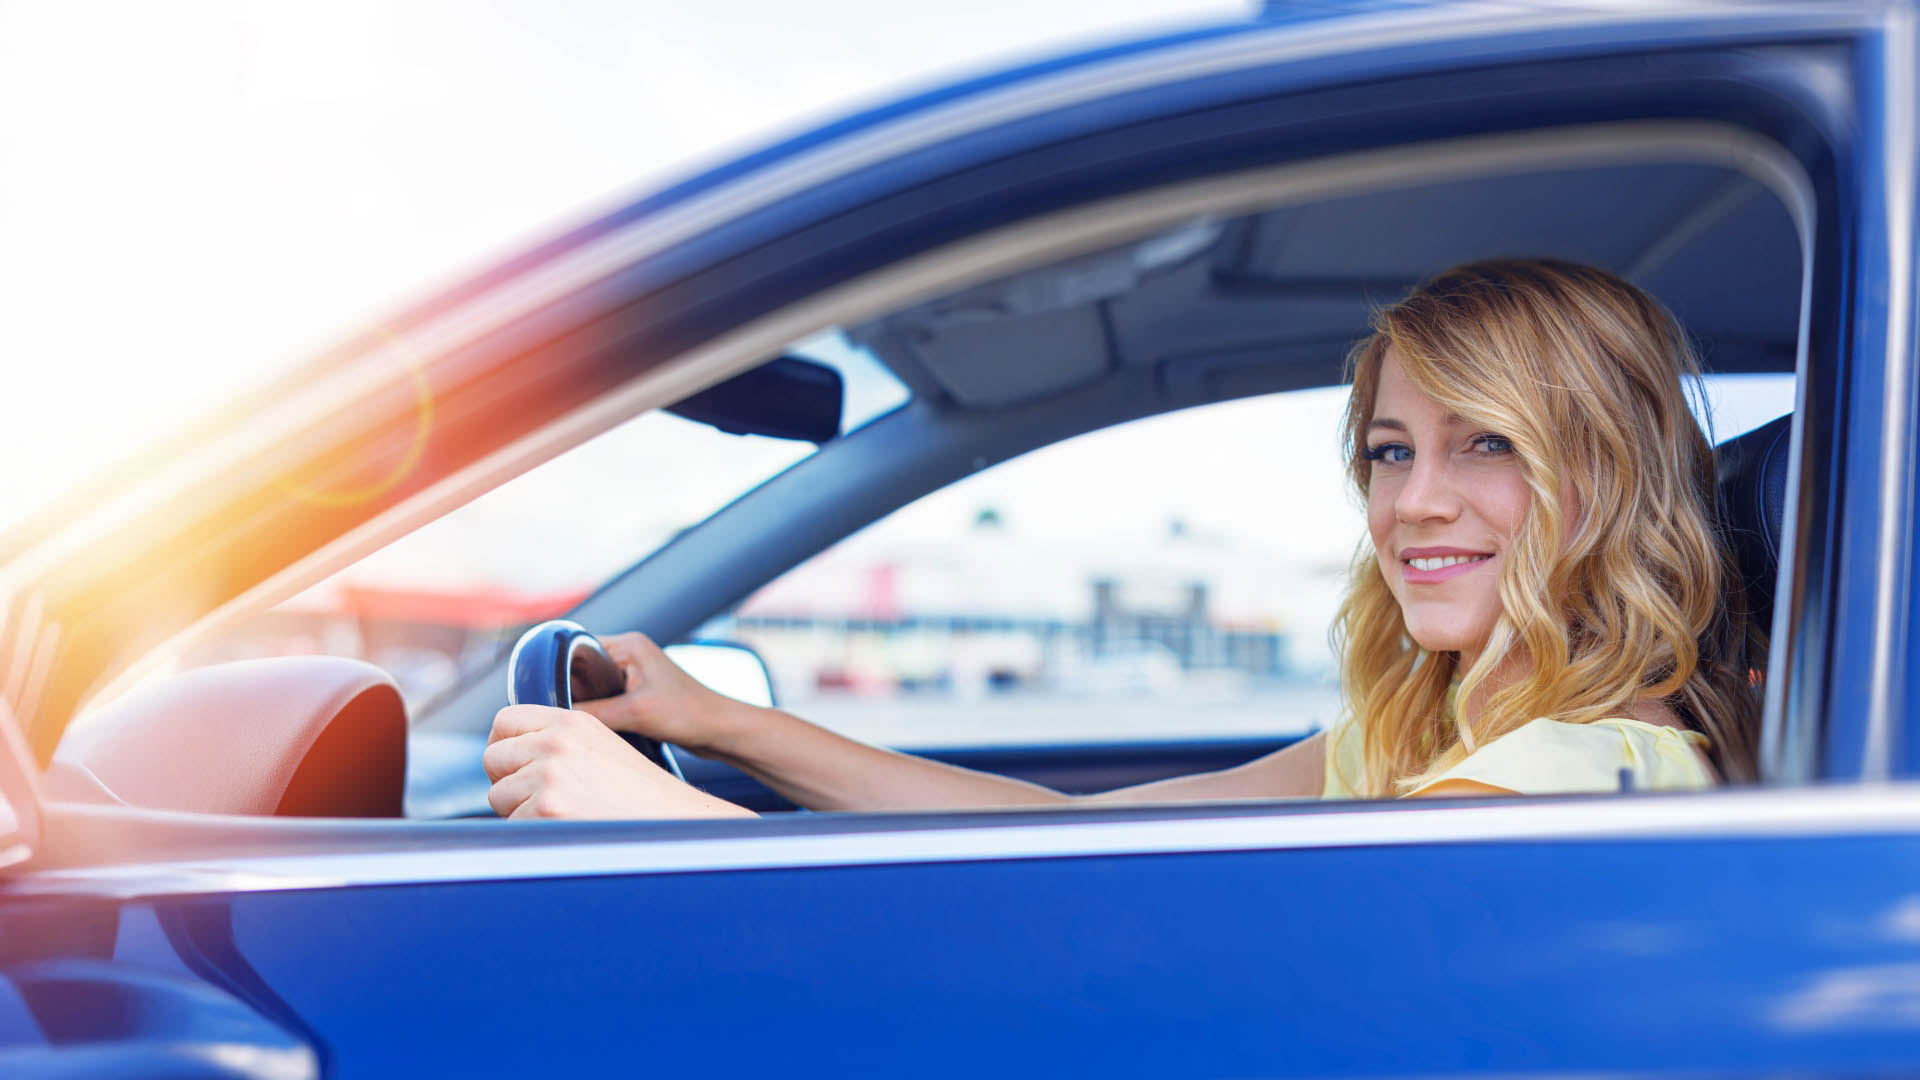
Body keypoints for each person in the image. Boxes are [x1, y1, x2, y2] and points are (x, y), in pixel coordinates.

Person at [481, 258, 1762, 819]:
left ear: (1604, 466)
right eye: (1389, 449)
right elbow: (1054, 834)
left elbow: (1057, 960)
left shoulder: (1565, 781)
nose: (1414, 501)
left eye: (1487, 441)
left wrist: (671, 826)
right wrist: (719, 723)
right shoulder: (1436, 740)